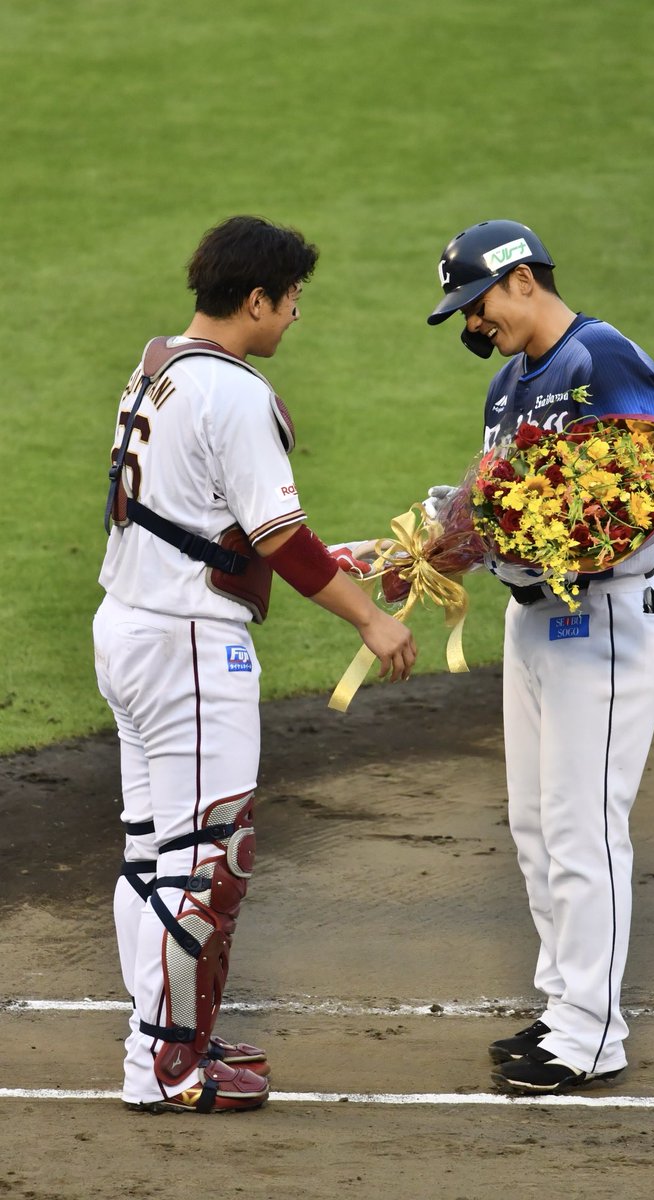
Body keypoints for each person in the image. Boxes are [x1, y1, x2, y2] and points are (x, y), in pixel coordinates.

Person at [93, 215, 416, 1114]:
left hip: (132, 627)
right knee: (209, 864)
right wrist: (371, 622)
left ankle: (164, 1037)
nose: (294, 319)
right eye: (291, 302)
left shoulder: (158, 365)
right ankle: (166, 1065)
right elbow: (276, 534)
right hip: (188, 649)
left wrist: (345, 560)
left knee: (155, 854)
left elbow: (210, 525)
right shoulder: (233, 393)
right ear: (255, 299)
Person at [425, 219, 654, 1095]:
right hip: (532, 621)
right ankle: (566, 1003)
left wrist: (539, 538)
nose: (472, 323)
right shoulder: (506, 385)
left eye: (477, 303)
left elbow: (642, 493)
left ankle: (592, 1034)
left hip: (603, 619)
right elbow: (499, 506)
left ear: (523, 280)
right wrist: (447, 542)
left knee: (580, 825)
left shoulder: (599, 360)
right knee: (538, 828)